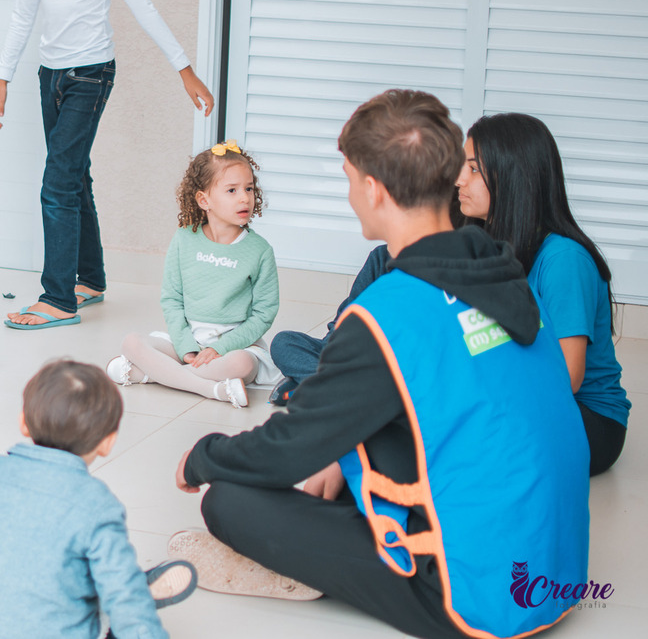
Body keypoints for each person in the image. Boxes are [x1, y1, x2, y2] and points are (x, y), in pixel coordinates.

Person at [169, 90, 589, 639]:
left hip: (475, 595)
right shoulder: (498, 270)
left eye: (349, 179)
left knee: (228, 499)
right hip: (554, 570)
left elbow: (284, 449)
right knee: (342, 446)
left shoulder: (387, 312)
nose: (350, 195)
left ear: (372, 188)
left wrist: (201, 458)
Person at [0, 0, 215, 330]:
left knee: (57, 184)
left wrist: (184, 68)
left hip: (91, 74)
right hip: (50, 74)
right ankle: (89, 279)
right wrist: (2, 75)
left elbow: (142, 5)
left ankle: (58, 297)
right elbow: (24, 13)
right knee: (75, 177)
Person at [0, 360, 196, 639]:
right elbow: (124, 595)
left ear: (23, 423)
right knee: (118, 589)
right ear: (108, 442)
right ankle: (138, 592)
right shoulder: (96, 504)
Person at [458, 112, 630, 475]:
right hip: (527, 398)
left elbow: (568, 377)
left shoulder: (564, 259)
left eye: (473, 169)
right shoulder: (492, 246)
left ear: (511, 176)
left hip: (587, 420)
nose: (460, 180)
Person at [106, 142, 280, 407]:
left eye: (249, 189)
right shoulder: (184, 239)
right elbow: (172, 299)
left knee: (242, 364)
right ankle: (211, 389)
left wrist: (220, 348)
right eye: (232, 190)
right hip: (187, 338)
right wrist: (187, 347)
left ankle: (156, 374)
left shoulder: (259, 250)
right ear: (204, 200)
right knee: (130, 342)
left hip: (234, 345)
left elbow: (264, 314)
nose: (245, 197)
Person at [267, 245, 389, 406]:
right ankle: (331, 388)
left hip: (382, 359)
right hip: (347, 350)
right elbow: (348, 314)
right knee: (283, 341)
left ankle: (312, 386)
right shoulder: (381, 256)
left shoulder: (426, 269)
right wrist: (332, 347)